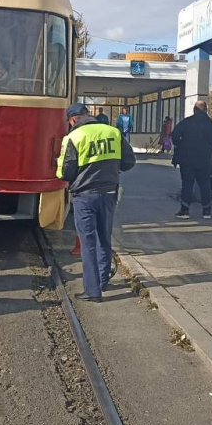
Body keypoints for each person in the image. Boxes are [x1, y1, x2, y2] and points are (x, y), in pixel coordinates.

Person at [57, 103, 136, 302]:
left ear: (73, 120)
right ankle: (102, 280)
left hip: (84, 196)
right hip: (109, 193)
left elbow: (65, 172)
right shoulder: (114, 132)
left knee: (87, 241)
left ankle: (93, 291)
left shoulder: (73, 137)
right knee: (104, 237)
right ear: (88, 115)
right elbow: (129, 162)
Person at [171, 100, 212, 220]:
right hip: (204, 159)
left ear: (194, 110)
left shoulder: (187, 122)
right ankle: (207, 211)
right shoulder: (211, 125)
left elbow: (174, 135)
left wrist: (181, 144)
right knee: (205, 184)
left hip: (187, 159)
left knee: (187, 184)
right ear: (206, 110)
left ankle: (185, 210)